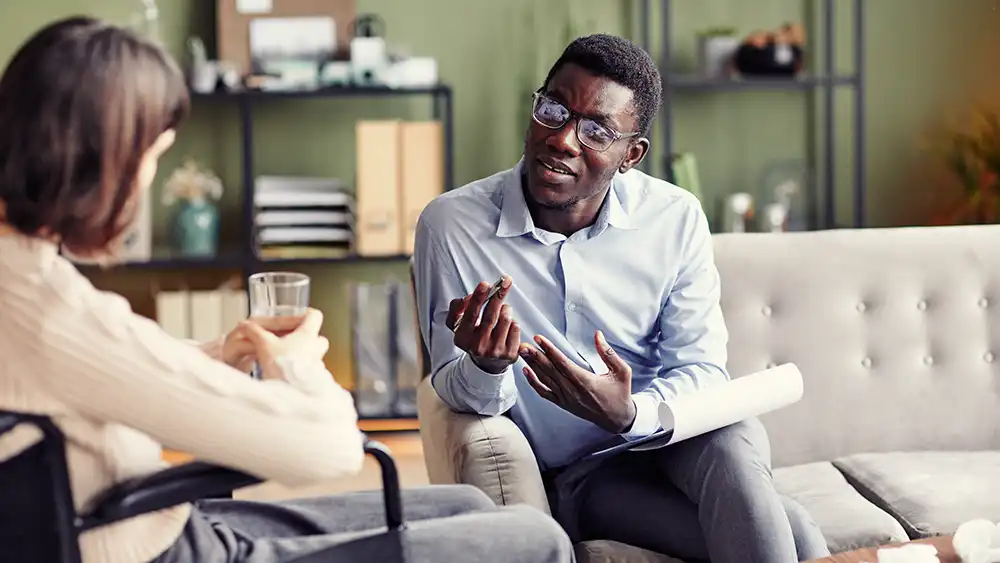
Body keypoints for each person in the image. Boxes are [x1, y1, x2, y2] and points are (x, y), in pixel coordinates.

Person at [0, 16, 574, 563]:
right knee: (535, 540)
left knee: (469, 503)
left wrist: (218, 355)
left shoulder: (21, 281)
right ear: (103, 166)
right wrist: (295, 365)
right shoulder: (47, 310)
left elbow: (94, 371)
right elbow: (328, 449)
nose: (148, 181)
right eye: (152, 157)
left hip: (155, 520)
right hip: (156, 547)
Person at [414, 33, 831, 563]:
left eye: (595, 131)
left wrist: (629, 415)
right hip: (585, 477)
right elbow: (448, 387)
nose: (563, 139)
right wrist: (486, 365)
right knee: (790, 528)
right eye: (553, 109)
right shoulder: (452, 225)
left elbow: (702, 371)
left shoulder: (675, 217)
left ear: (631, 155)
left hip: (672, 440)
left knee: (732, 437)